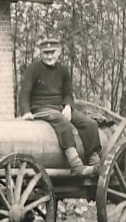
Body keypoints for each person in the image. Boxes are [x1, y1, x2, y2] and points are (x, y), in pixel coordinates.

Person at [18, 37, 102, 176]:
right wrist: (26, 112)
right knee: (62, 121)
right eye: (46, 53)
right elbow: (24, 93)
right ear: (41, 53)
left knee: (90, 124)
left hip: (60, 107)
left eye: (52, 52)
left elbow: (68, 93)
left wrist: (68, 106)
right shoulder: (33, 69)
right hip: (41, 108)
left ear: (58, 52)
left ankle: (94, 159)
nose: (49, 56)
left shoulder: (63, 70)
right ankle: (76, 165)